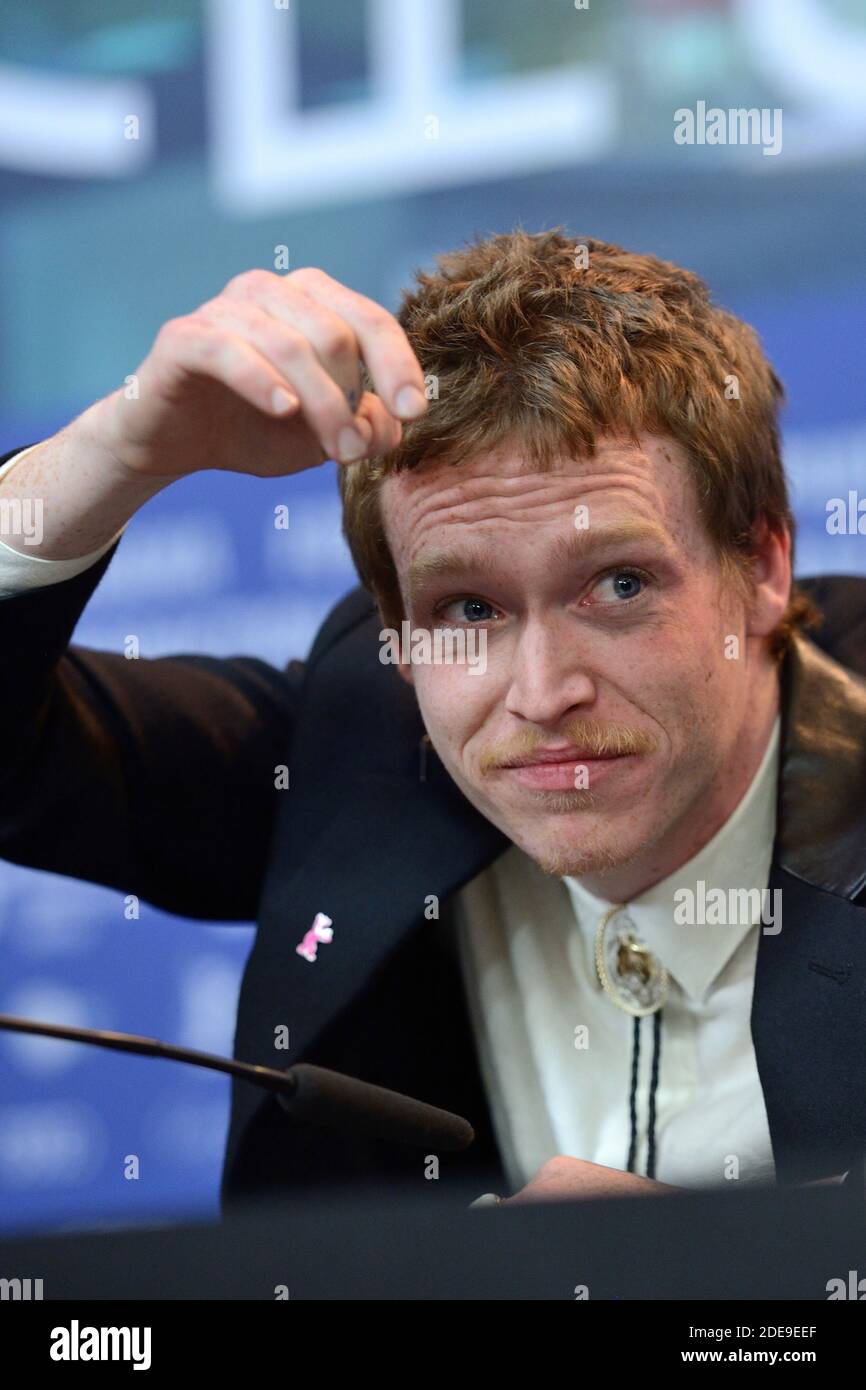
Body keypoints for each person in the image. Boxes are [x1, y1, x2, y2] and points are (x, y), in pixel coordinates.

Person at [1, 230, 864, 1213]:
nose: (541, 695)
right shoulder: (360, 749)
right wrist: (117, 451)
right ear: (399, 636)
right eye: (467, 611)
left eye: (617, 585)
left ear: (760, 567)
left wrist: (724, 1284)